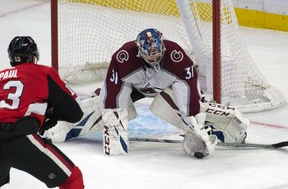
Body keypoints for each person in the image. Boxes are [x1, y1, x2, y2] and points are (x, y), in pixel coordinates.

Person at [46, 28, 249, 159]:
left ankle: (230, 129)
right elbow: (112, 94)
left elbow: (189, 92)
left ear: (163, 47)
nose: (154, 60)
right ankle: (60, 128)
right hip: (133, 87)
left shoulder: (177, 57)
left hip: (167, 86)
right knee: (105, 106)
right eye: (149, 56)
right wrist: (112, 121)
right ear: (139, 51)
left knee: (193, 111)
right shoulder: (123, 58)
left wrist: (193, 122)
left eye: (158, 55)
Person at [0, 36, 85, 188]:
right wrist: (51, 115)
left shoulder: (1, 76)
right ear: (34, 57)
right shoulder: (43, 72)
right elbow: (75, 112)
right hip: (20, 139)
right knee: (72, 178)